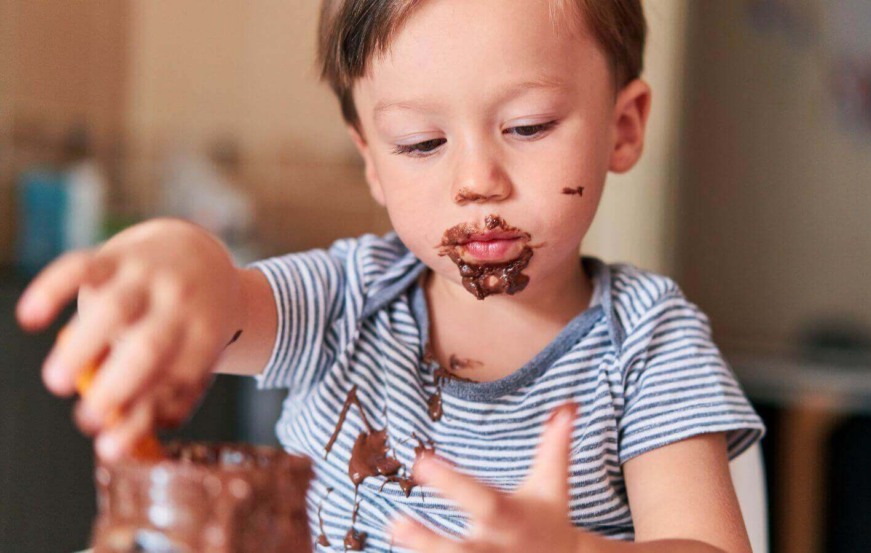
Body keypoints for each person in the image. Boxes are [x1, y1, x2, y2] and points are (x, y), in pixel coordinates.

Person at [16, 1, 764, 551]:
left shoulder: (647, 341)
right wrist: (175, 259)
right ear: (371, 159)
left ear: (623, 127)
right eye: (420, 142)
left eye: (529, 126)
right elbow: (221, 303)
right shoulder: (349, 299)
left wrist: (572, 550)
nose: (477, 181)